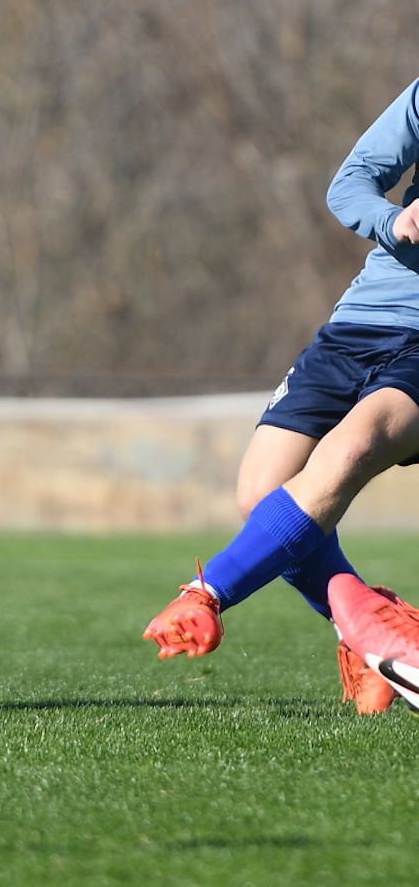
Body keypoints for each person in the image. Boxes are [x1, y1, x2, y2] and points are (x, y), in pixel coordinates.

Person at [142, 77, 419, 714]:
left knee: (353, 448)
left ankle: (206, 593)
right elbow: (350, 184)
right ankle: (367, 624)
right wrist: (394, 219)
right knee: (261, 492)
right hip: (360, 324)